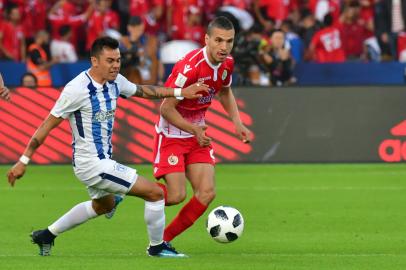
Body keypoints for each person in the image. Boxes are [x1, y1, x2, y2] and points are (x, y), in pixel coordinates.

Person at [6, 36, 208, 257]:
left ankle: (46, 235)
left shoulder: (116, 82)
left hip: (102, 162)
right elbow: (46, 126)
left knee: (102, 206)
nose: (115, 65)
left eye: (118, 60)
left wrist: (181, 92)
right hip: (92, 164)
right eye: (110, 60)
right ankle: (157, 247)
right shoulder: (76, 89)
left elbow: (144, 91)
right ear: (95, 61)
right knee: (155, 194)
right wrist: (23, 161)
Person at [152, 16, 252, 252]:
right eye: (218, 40)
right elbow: (165, 108)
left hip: (197, 135)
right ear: (206, 39)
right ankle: (128, 192)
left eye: (229, 41)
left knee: (206, 193)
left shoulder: (227, 63)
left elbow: (225, 91)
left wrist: (237, 123)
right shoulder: (190, 67)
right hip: (173, 135)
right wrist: (193, 129)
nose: (224, 47)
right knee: (176, 195)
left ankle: (162, 241)